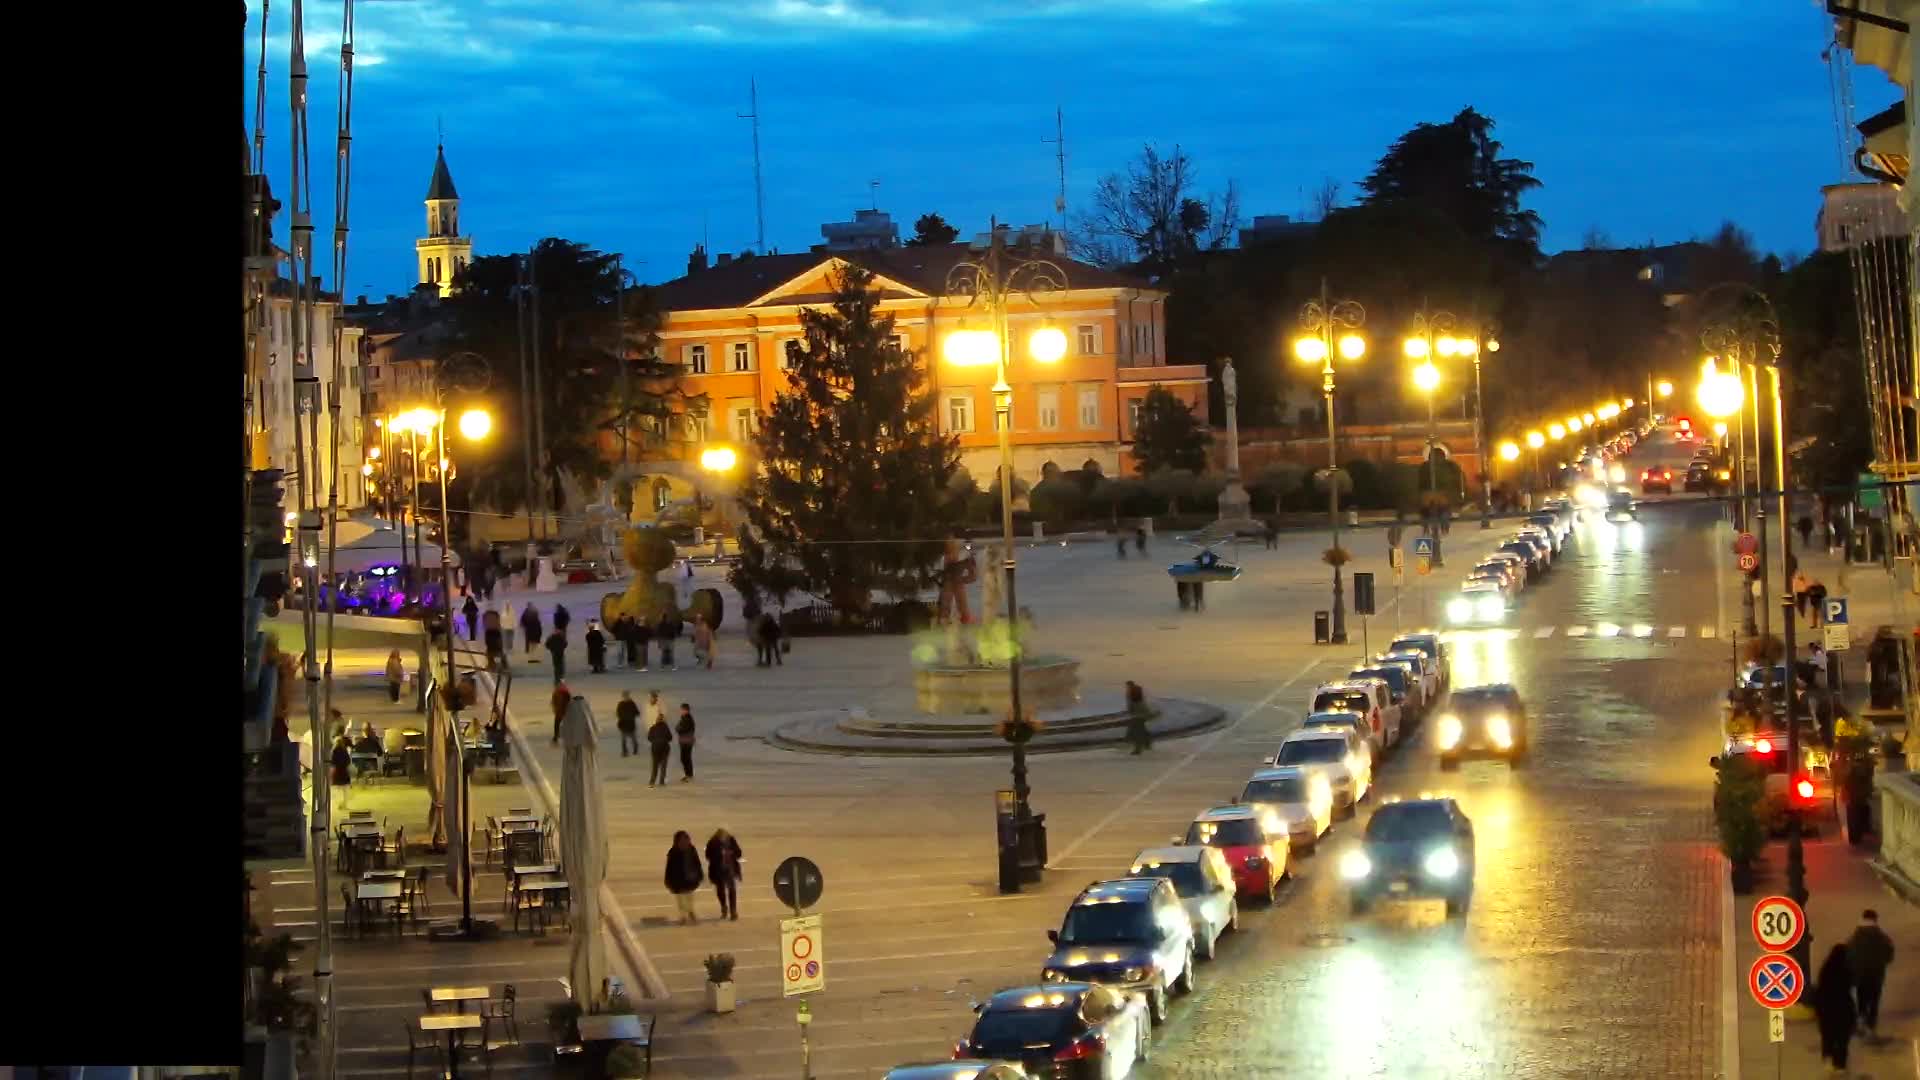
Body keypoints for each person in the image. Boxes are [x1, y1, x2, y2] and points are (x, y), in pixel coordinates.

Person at [1848, 908, 1896, 1040]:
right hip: (1876, 975)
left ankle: (1861, 1020)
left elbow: (1848, 955)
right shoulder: (1882, 937)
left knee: (1861, 997)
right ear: (1875, 920)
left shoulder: (1854, 937)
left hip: (1859, 975)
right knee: (1874, 1000)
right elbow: (1889, 955)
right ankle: (1870, 1026)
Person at [1811, 943, 1857, 1073]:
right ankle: (1840, 1064)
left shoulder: (1825, 970)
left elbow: (1819, 991)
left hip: (1827, 1010)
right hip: (1843, 1009)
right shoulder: (1846, 970)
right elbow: (1852, 985)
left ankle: (1828, 1059)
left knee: (1828, 1036)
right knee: (1842, 1039)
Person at [664, 831, 706, 925]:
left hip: (690, 879)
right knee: (680, 900)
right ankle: (683, 917)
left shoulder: (692, 849)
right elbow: (669, 867)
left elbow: (697, 863)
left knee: (689, 898)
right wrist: (668, 880)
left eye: (686, 839)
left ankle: (691, 912)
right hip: (678, 880)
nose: (684, 841)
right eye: (682, 839)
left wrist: (700, 874)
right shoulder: (673, 852)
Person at [706, 828, 744, 921]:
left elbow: (739, 853)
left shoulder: (731, 840)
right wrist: (719, 855)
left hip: (730, 869)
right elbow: (708, 856)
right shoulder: (712, 843)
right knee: (721, 890)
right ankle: (724, 907)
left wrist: (731, 853)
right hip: (718, 870)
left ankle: (733, 911)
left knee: (732, 890)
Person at [645, 704, 673, 786]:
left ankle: (652, 781)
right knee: (663, 766)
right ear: (663, 720)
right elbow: (670, 738)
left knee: (655, 766)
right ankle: (661, 781)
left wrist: (655, 741)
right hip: (664, 748)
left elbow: (649, 738)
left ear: (656, 720)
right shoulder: (666, 728)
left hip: (655, 749)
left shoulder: (652, 728)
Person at [1124, 680, 1151, 754]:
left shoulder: (1132, 692)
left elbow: (1131, 706)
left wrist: (1130, 711)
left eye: (1127, 685)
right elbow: (1141, 703)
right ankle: (1147, 744)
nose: (1126, 687)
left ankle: (1138, 749)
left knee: (1136, 732)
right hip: (1141, 714)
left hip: (1137, 715)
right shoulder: (1137, 691)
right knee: (1141, 730)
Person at [329, 735, 353, 810]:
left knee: (336, 791)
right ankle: (344, 804)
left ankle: (339, 804)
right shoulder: (344, 750)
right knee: (345, 790)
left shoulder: (333, 751)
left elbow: (332, 763)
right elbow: (348, 762)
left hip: (336, 773)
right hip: (344, 773)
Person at [675, 703, 697, 782]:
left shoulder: (687, 719)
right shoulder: (684, 718)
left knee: (685, 758)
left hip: (687, 741)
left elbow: (682, 729)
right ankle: (688, 774)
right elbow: (678, 727)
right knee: (684, 758)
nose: (681, 711)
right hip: (684, 741)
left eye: (682, 710)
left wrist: (679, 729)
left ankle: (689, 775)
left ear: (686, 710)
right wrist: (678, 728)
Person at [615, 690, 640, 757]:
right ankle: (624, 752)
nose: (625, 697)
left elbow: (637, 713)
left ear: (628, 696)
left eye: (626, 696)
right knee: (623, 740)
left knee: (633, 739)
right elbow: (617, 713)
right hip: (623, 725)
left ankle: (635, 750)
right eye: (624, 696)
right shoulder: (620, 704)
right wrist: (621, 717)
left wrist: (631, 715)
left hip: (631, 725)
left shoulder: (632, 703)